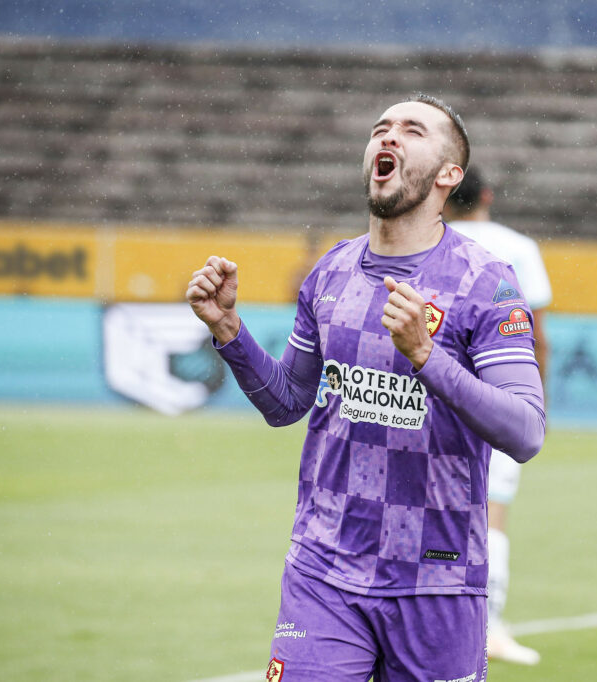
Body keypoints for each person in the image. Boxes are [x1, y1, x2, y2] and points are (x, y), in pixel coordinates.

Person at [186, 94, 546, 682]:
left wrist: (428, 358)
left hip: (439, 580)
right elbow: (286, 404)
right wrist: (228, 329)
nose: (390, 137)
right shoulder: (329, 273)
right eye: (381, 128)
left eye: (412, 130)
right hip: (323, 569)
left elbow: (526, 432)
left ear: (449, 175)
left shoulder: (486, 283)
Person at [443, 167, 551, 666]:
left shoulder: (433, 241)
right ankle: (490, 624)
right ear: (487, 195)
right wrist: (535, 400)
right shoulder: (518, 248)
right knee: (493, 510)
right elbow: (536, 333)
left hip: (438, 394)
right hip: (497, 397)